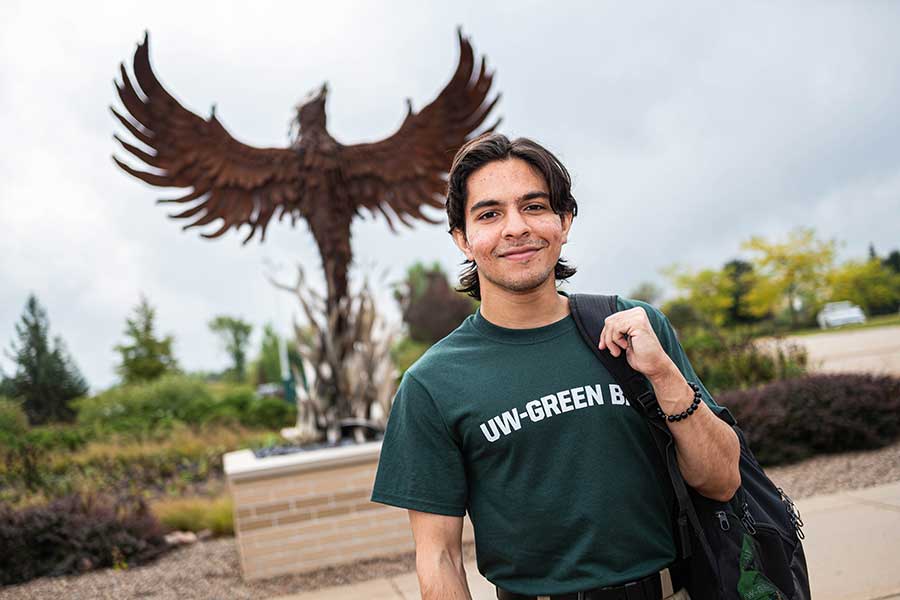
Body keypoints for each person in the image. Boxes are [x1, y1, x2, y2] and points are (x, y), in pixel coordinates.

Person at [371, 133, 741, 600]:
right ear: (462, 239)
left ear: (564, 221)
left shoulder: (634, 329)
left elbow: (722, 480)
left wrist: (664, 374)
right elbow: (439, 557)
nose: (515, 228)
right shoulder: (432, 384)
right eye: (489, 214)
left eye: (534, 207)